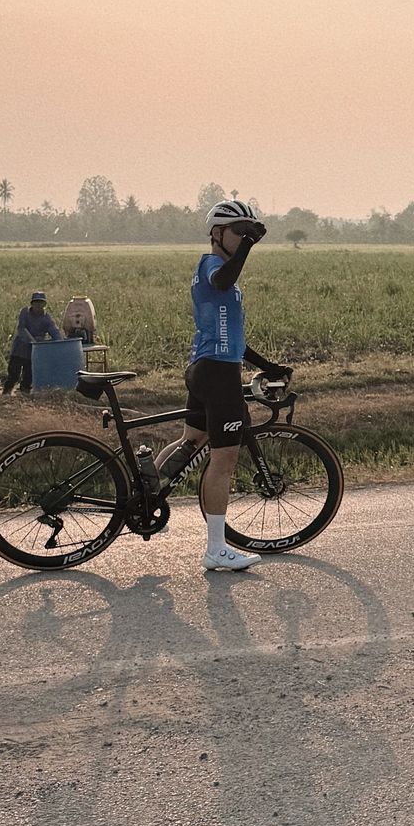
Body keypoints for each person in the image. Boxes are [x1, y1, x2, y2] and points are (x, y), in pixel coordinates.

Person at [151, 199, 290, 571]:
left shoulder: (222, 272)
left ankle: (147, 492)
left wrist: (268, 366)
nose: (244, 237)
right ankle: (216, 549)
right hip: (216, 374)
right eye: (238, 231)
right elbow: (224, 278)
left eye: (248, 232)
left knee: (192, 440)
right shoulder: (213, 266)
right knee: (223, 460)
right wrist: (250, 244)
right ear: (217, 233)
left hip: (209, 367)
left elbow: (234, 340)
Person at [1, 291, 60, 394]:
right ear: (32, 303)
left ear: (44, 304)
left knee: (28, 377)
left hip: (33, 353)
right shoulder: (25, 312)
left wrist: (57, 343)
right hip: (19, 349)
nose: (38, 305)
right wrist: (34, 341)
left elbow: (55, 333)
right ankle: (6, 394)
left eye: (40, 303)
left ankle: (24, 396)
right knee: (13, 375)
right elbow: (22, 329)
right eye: (36, 302)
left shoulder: (47, 318)